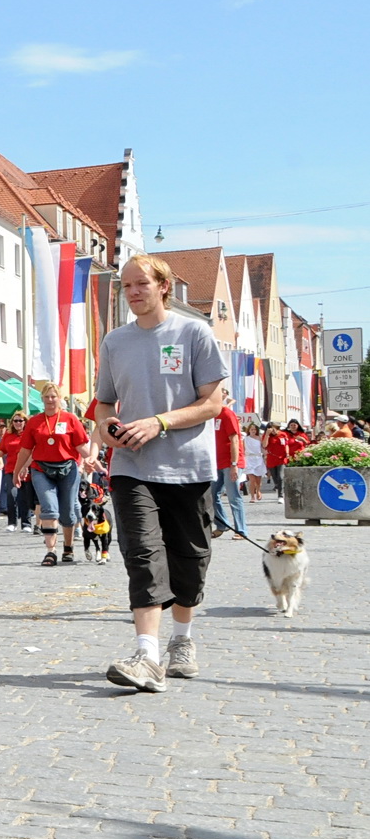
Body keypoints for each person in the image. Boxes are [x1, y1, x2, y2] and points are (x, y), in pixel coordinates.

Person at [95, 255, 228, 694]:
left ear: (163, 286)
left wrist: (159, 422)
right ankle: (147, 656)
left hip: (188, 467)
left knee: (190, 561)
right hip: (132, 467)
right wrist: (107, 427)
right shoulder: (115, 341)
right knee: (143, 555)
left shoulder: (194, 333)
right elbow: (104, 403)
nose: (133, 292)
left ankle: (182, 639)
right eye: (126, 286)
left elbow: (212, 403)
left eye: (141, 284)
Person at [13, 384, 92, 566]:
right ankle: (51, 551)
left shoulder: (70, 419)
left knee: (68, 511)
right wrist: (17, 471)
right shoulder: (34, 422)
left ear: (59, 398)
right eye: (47, 396)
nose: (50, 400)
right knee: (48, 507)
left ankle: (68, 547)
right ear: (42, 398)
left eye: (53, 396)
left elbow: (81, 445)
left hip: (68, 468)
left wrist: (91, 460)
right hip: (41, 469)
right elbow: (25, 450)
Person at [210, 391, 248, 539]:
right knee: (212, 495)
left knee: (233, 497)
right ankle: (222, 524)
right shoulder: (211, 415)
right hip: (217, 462)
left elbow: (235, 440)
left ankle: (241, 530)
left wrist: (234, 464)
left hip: (230, 462)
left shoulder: (227, 414)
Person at [0, 410, 30, 531]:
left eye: (20, 420)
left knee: (24, 496)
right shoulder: (8, 435)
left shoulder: (28, 434)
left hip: (25, 468)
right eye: (15, 421)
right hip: (11, 469)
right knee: (11, 495)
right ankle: (12, 522)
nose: (17, 423)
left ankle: (26, 523)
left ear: (25, 422)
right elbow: (2, 450)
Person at [243, 420, 266, 502]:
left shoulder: (259, 438)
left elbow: (263, 448)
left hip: (258, 459)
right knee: (252, 480)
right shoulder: (245, 439)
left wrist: (266, 455)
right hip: (249, 459)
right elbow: (243, 449)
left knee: (258, 480)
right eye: (251, 429)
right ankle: (252, 497)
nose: (253, 431)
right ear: (249, 430)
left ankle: (258, 490)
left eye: (254, 429)